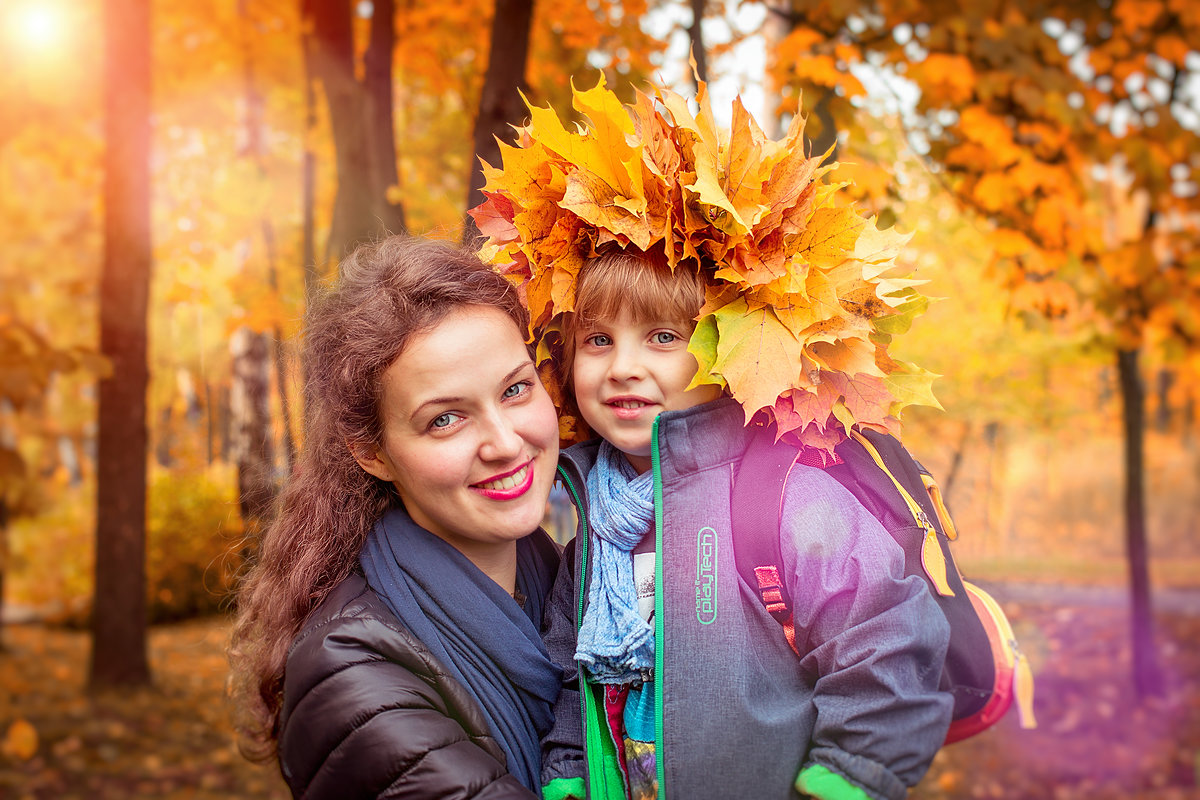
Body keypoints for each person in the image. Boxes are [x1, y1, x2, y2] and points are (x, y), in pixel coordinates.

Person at [469, 79, 954, 800]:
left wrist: (844, 783)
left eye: (664, 337)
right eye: (597, 339)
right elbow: (574, 672)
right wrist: (569, 775)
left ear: (730, 349)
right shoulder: (592, 520)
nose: (623, 366)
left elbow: (887, 647)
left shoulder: (787, 501)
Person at [228, 235, 564, 799]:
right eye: (444, 420)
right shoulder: (353, 681)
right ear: (372, 452)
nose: (506, 443)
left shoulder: (573, 584)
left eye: (515, 389)